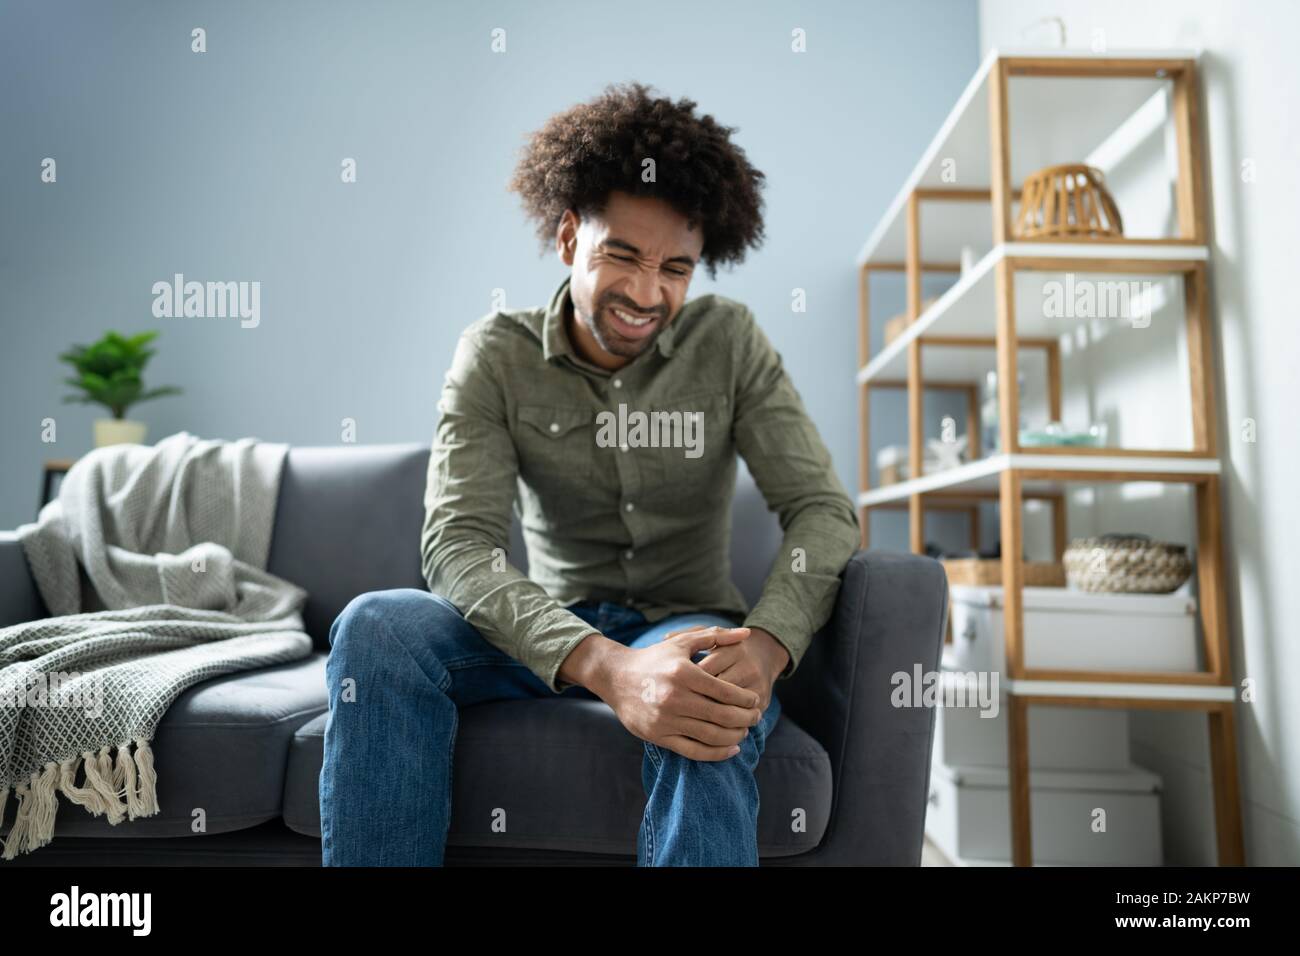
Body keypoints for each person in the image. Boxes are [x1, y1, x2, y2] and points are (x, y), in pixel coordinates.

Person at [319, 81, 859, 866]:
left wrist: (769, 644)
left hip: (687, 619)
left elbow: (822, 511)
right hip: (548, 623)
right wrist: (610, 669)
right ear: (570, 236)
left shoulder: (730, 342)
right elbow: (457, 547)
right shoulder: (496, 355)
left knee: (700, 695)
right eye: (623, 255)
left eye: (676, 268)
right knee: (378, 626)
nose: (647, 293)